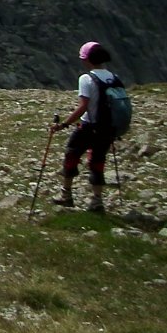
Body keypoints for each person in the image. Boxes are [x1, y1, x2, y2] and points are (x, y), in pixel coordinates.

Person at [50, 41, 119, 212]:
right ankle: (97, 200)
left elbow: (83, 106)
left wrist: (64, 124)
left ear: (87, 59)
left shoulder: (86, 78)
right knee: (97, 162)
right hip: (107, 129)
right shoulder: (113, 78)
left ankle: (66, 195)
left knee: (71, 156)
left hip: (89, 126)